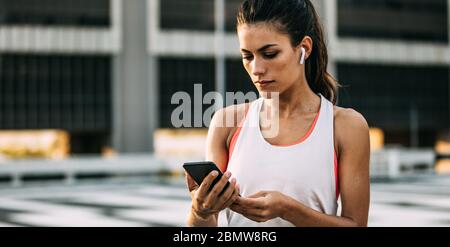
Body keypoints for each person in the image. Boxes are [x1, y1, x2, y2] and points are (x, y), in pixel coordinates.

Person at [185, 0, 370, 227]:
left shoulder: (345, 126)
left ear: (304, 48)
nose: (256, 69)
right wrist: (200, 212)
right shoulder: (226, 123)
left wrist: (288, 209)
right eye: (248, 56)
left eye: (269, 54)